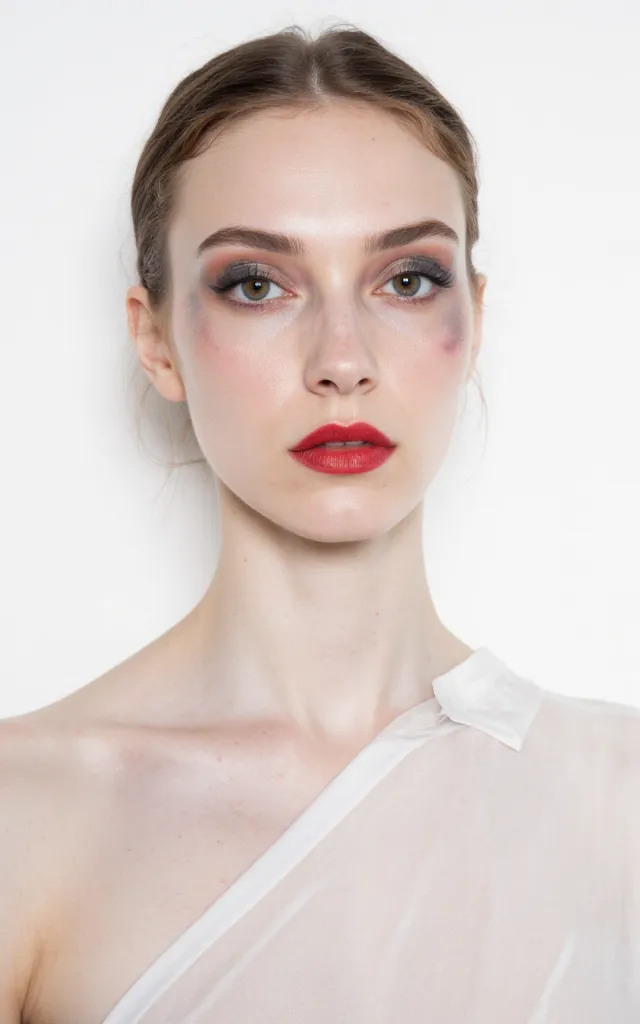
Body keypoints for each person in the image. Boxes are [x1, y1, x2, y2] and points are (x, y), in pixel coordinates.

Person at [1, 22, 639, 1024]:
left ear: (471, 318)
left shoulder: (620, 801)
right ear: (156, 339)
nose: (341, 358)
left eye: (405, 279)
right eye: (256, 283)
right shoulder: (25, 817)